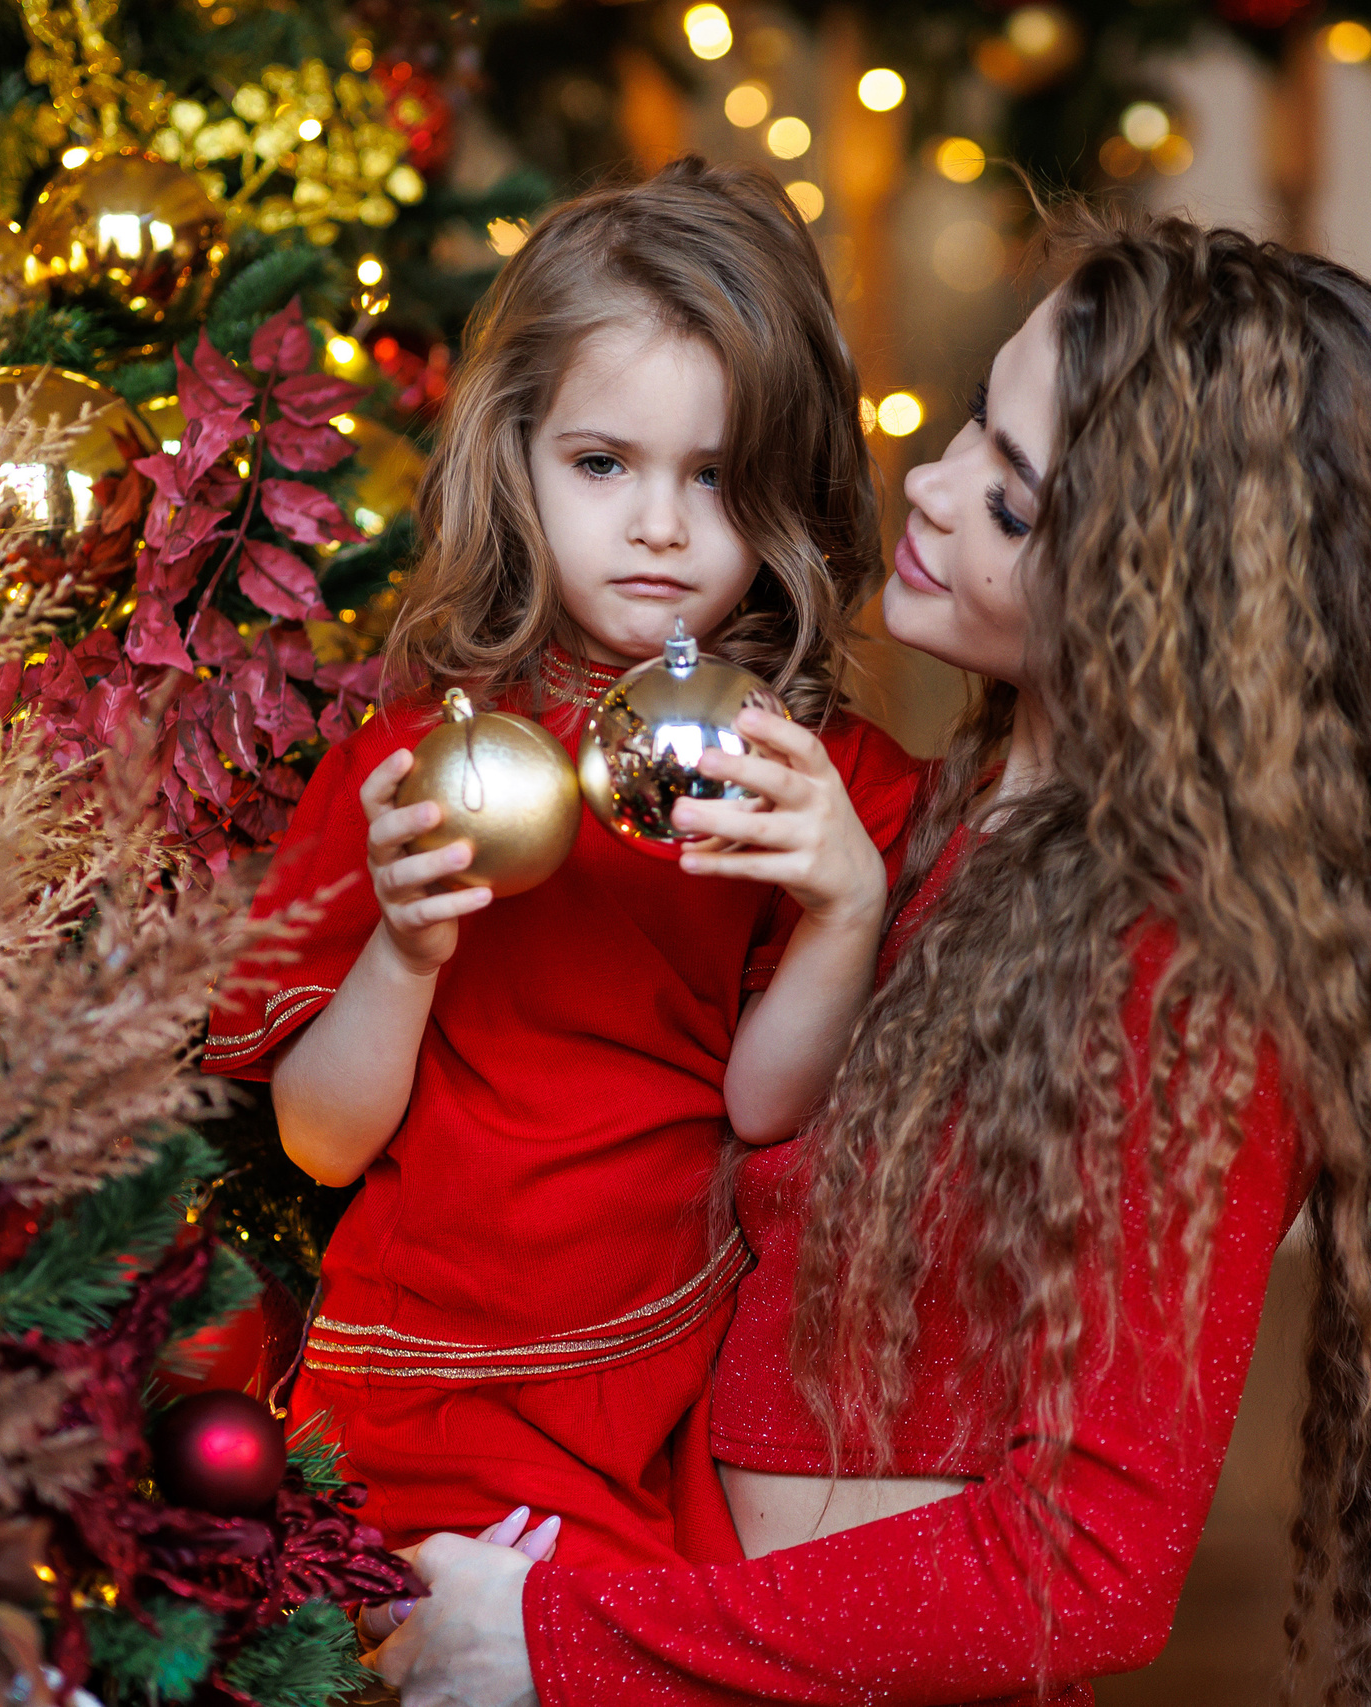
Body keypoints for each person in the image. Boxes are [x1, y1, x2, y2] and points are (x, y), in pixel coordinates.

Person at [372, 211, 1371, 1707]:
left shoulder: (1193, 976)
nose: (937, 490)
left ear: (1179, 603)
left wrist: (566, 1645)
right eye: (973, 424)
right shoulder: (932, 816)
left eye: (1016, 508)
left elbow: (1089, 1565)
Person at [203, 159, 924, 1570]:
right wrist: (405, 953)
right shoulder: (419, 754)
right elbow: (321, 1140)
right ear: (518, 454)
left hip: (672, 1381)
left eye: (714, 478)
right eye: (603, 465)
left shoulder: (817, 779)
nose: (657, 524)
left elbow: (765, 1108)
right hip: (427, 1379)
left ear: (789, 486)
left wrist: (843, 903)